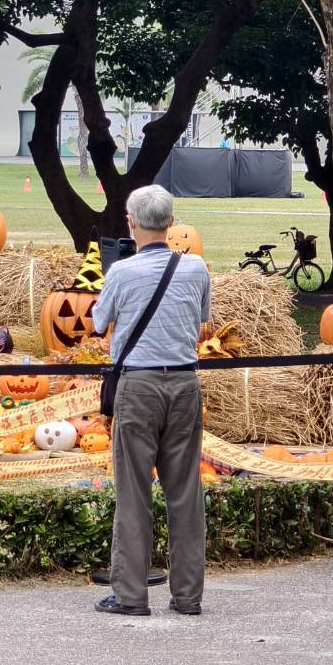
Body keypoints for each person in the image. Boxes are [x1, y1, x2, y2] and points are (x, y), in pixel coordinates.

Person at [91, 184, 212, 617]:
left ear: (131, 223)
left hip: (138, 386)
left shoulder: (121, 272)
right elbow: (201, 319)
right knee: (186, 493)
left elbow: (98, 323)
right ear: (171, 222)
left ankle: (130, 594)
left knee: (133, 494)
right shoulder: (195, 268)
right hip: (183, 383)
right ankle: (188, 596)